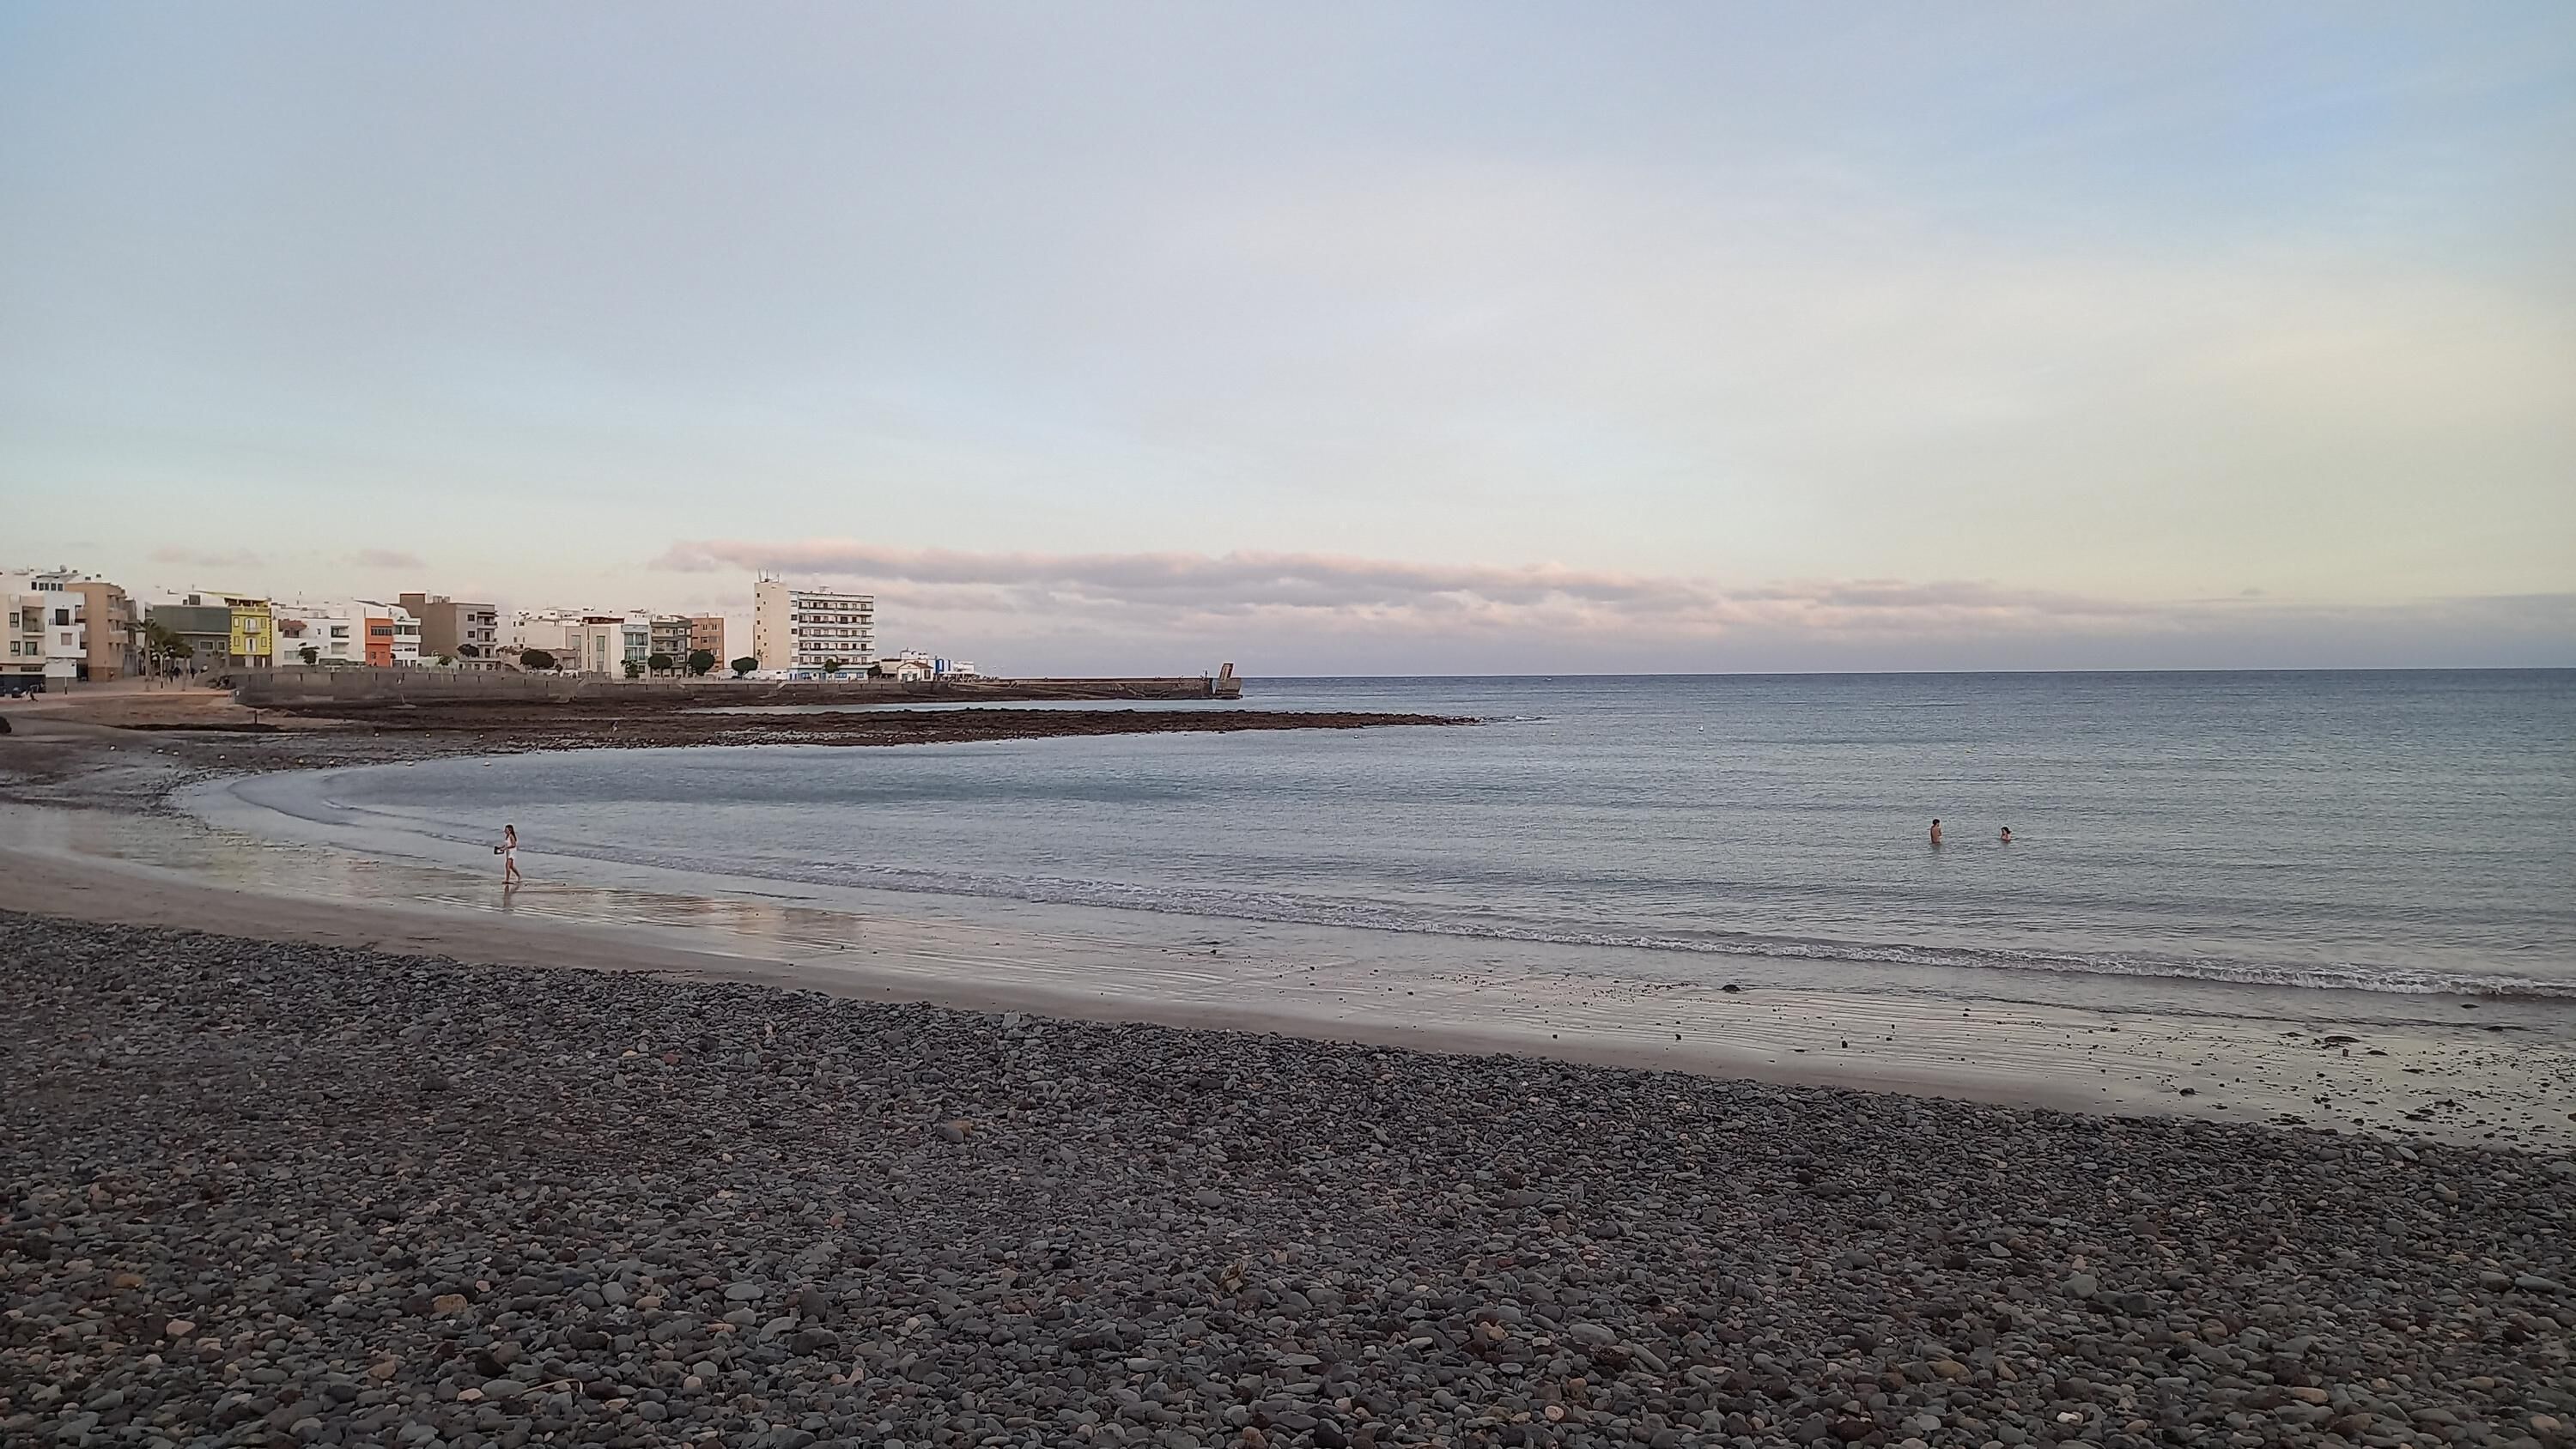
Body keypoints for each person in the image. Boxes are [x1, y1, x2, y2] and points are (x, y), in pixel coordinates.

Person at [498, 823, 520, 887]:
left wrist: (506, 848)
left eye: (506, 829)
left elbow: (514, 845)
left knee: (507, 865)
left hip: (512, 852)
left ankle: (507, 880)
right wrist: (501, 847)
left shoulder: (511, 836)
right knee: (511, 866)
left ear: (510, 830)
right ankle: (519, 876)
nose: (505, 831)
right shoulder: (507, 836)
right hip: (508, 852)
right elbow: (506, 844)